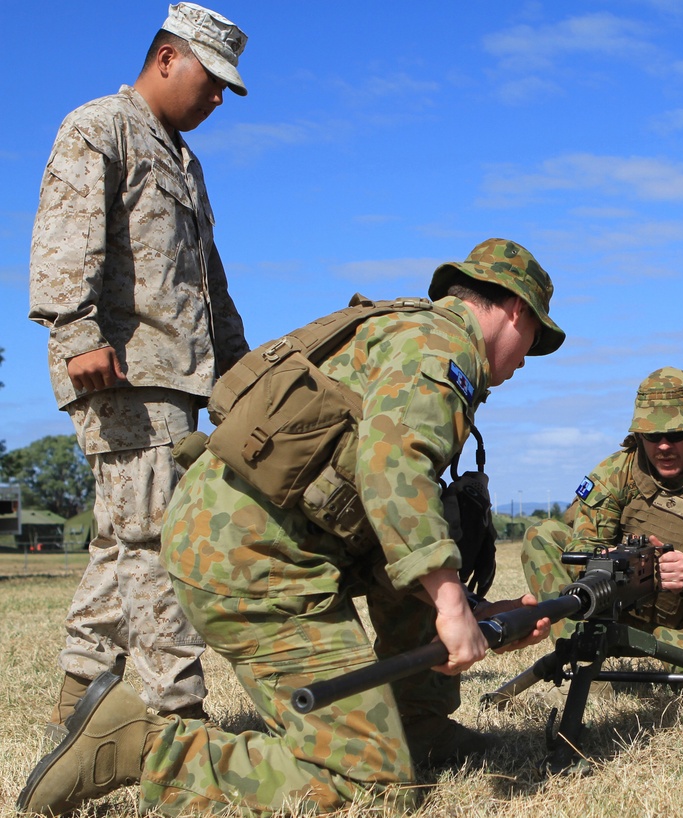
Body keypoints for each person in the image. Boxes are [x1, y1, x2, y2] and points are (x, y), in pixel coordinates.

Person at [18, 238, 564, 815]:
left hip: (257, 542)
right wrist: (452, 610)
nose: (527, 359)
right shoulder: (443, 346)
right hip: (254, 565)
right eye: (535, 340)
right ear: (516, 310)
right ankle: (138, 745)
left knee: (426, 559)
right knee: (369, 785)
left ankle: (418, 727)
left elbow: (382, 517)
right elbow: (395, 466)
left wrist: (474, 612)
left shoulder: (405, 332)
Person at [26, 2, 250, 738]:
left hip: (175, 378)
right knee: (161, 544)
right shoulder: (99, 126)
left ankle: (77, 708)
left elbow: (205, 281)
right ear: (166, 59)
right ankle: (173, 720)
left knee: (121, 543)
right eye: (211, 80)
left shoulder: (184, 160)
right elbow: (67, 233)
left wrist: (240, 377)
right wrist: (76, 330)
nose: (217, 98)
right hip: (118, 372)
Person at [522, 367, 683, 677]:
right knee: (542, 535)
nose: (664, 446)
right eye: (652, 436)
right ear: (639, 434)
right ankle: (580, 661)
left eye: (677, 435)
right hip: (610, 614)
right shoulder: (615, 472)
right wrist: (615, 563)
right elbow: (581, 547)